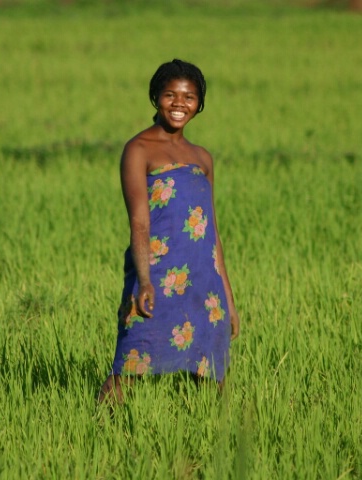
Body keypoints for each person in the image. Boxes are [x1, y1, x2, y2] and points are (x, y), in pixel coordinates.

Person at [98, 59, 239, 403]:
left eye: (189, 97)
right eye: (170, 95)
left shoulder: (202, 158)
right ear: (155, 98)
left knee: (212, 373)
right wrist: (144, 280)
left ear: (199, 104)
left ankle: (218, 444)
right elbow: (140, 222)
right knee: (130, 363)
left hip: (203, 281)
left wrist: (229, 300)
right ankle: (96, 435)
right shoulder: (139, 149)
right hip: (158, 273)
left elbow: (211, 233)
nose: (179, 103)